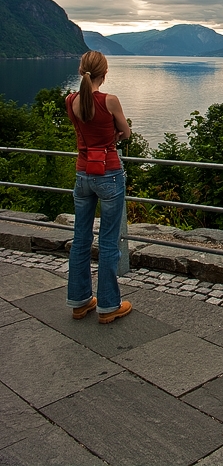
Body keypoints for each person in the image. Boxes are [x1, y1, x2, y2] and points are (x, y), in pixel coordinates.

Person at [65, 50, 133, 324]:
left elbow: (82, 126)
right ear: (104, 74)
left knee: (80, 239)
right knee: (108, 241)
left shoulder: (71, 100)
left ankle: (80, 301)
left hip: (83, 173)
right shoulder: (110, 101)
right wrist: (114, 134)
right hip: (108, 172)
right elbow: (125, 132)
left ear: (82, 71)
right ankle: (108, 305)